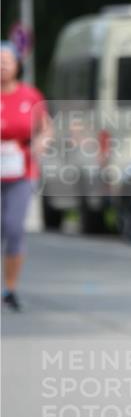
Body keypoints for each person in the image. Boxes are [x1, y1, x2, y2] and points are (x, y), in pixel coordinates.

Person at [0, 41, 52, 311]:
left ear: (17, 64)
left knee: (13, 228)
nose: (2, 65)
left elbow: (46, 128)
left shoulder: (30, 96)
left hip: (21, 172)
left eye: (6, 60)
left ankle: (9, 289)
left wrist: (41, 141)